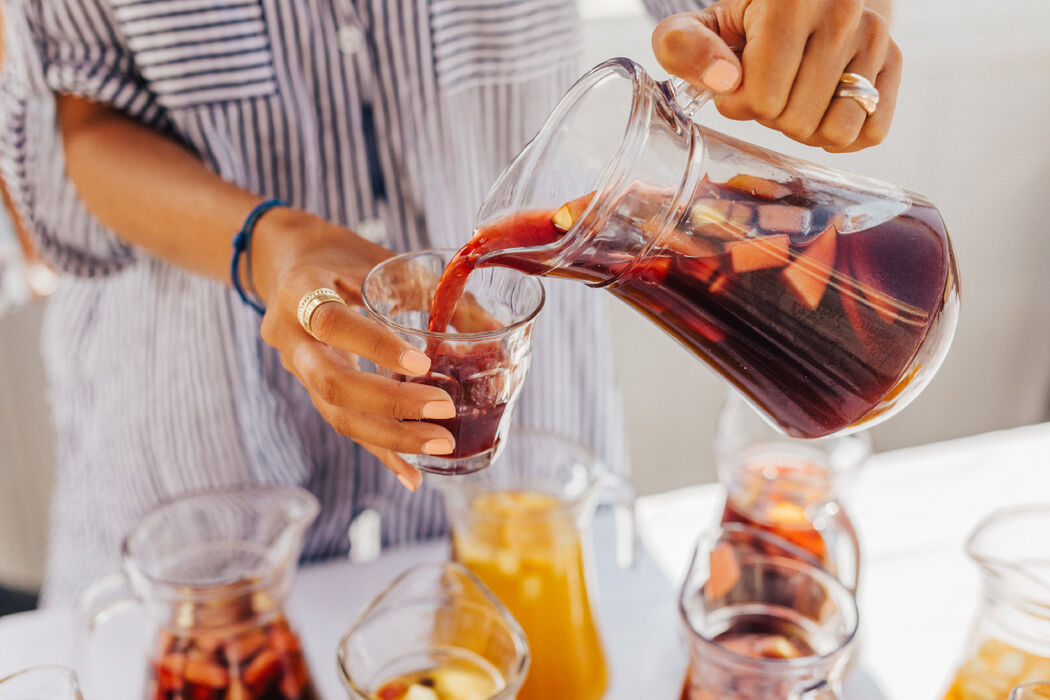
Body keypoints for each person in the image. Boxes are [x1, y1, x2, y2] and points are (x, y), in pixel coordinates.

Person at [0, 0, 899, 605]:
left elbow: (738, 23)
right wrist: (271, 244)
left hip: (529, 475)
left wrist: (808, 39)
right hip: (202, 451)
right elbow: (87, 117)